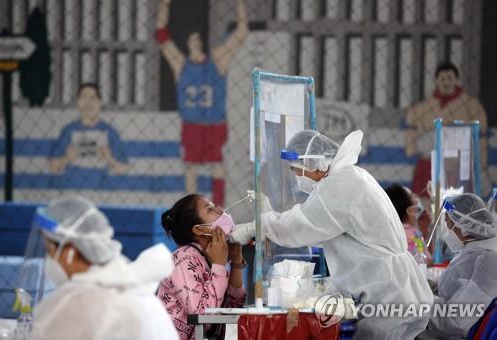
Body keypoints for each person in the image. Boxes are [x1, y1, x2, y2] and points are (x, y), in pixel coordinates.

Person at [231, 130, 433, 339]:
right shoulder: (351, 176)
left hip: (389, 295)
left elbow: (301, 226)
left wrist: (255, 226)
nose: (297, 177)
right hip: (396, 289)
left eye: (297, 170)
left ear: (316, 164)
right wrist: (268, 219)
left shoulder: (341, 185)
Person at [29, 196, 178, 340]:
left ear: (70, 252)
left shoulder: (78, 303)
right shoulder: (136, 293)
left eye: (49, 250)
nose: (49, 259)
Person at [155, 0, 248, 205]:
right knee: (190, 168)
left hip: (215, 124)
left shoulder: (217, 60)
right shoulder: (182, 64)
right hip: (192, 125)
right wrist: (165, 5)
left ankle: (220, 209)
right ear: (187, 43)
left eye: (198, 39)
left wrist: (240, 4)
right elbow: (161, 34)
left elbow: (241, 31)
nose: (195, 42)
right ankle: (192, 210)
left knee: (217, 167)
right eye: (192, 39)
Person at [157, 194, 246, 340]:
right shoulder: (184, 259)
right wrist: (219, 265)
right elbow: (202, 313)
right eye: (209, 209)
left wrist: (236, 263)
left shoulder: (209, 257)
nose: (220, 210)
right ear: (198, 230)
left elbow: (234, 305)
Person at [405, 62, 488, 199]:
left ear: (456, 80)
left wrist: (482, 164)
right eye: (442, 78)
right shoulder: (422, 108)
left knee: (456, 203)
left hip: (457, 163)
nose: (446, 82)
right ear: (436, 81)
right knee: (426, 203)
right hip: (429, 161)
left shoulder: (472, 106)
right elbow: (411, 139)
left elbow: (481, 137)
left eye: (450, 78)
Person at [424, 193, 497, 339]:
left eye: (449, 224)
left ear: (464, 226)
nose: (448, 232)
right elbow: (452, 286)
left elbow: (457, 321)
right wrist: (422, 284)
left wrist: (419, 301)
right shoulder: (472, 251)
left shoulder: (488, 261)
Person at [49, 83, 129, 174]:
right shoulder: (69, 130)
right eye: (84, 98)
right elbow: (52, 166)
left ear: (100, 102)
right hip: (72, 186)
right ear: (78, 102)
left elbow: (124, 168)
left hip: (100, 186)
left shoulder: (109, 131)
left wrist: (109, 159)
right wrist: (66, 159)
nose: (88, 103)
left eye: (92, 98)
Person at [385, 183, 433, 264]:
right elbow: (425, 260)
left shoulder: (390, 232)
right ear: (410, 211)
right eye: (413, 195)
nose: (417, 196)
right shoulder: (415, 235)